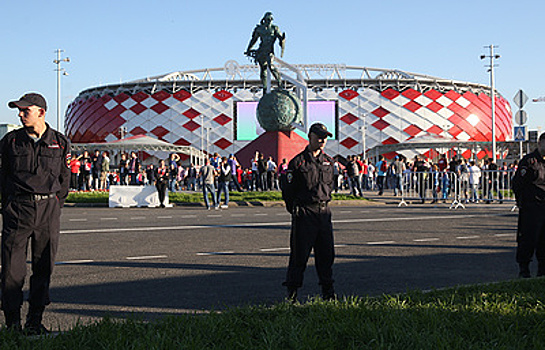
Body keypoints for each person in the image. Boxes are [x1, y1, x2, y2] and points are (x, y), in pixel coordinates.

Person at [0, 93, 70, 334]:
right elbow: (3, 176)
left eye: (24, 110)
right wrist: (7, 205)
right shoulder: (10, 142)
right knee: (11, 270)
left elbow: (64, 178)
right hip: (18, 210)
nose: (20, 115)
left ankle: (34, 322)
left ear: (41, 112)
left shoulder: (60, 142)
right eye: (18, 111)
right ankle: (12, 324)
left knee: (43, 268)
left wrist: (54, 204)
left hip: (48, 211)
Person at [281, 122, 335, 302]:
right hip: (305, 213)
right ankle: (292, 295)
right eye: (319, 136)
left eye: (325, 137)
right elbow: (288, 190)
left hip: (323, 213)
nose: (322, 140)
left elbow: (331, 186)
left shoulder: (329, 161)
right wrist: (295, 209)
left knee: (326, 255)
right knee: (299, 256)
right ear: (310, 136)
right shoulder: (298, 162)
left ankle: (328, 294)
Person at [512, 133, 545, 278]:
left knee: (544, 242)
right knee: (528, 239)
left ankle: (542, 272)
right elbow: (518, 184)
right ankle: (524, 270)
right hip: (531, 208)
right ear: (539, 144)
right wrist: (522, 203)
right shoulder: (529, 161)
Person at [245, 12, 286, 90]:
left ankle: (280, 83)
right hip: (261, 51)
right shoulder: (259, 29)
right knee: (263, 70)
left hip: (270, 51)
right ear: (264, 19)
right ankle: (265, 87)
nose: (269, 21)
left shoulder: (275, 28)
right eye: (268, 19)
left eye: (271, 19)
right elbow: (254, 40)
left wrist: (282, 40)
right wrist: (248, 49)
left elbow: (280, 39)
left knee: (271, 66)